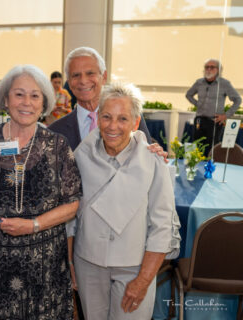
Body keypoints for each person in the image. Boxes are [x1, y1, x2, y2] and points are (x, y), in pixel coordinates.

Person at [48, 46, 163, 319]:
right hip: (87, 252)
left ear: (104, 75)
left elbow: (147, 163)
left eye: (90, 73)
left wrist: (159, 154)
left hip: (130, 250)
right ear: (67, 81)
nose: (83, 80)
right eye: (75, 75)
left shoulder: (131, 118)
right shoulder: (55, 132)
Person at [0, 64, 82, 319]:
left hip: (44, 268)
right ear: (6, 99)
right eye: (19, 94)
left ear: (44, 102)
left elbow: (73, 202)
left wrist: (33, 225)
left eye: (35, 96)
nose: (27, 102)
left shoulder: (57, 146)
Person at [73, 82, 181, 319]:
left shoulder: (152, 161)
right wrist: (70, 263)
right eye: (107, 117)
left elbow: (162, 227)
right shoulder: (81, 156)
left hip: (134, 267)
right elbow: (71, 215)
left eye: (123, 119)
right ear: (98, 119)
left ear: (135, 123)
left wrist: (143, 280)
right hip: (88, 263)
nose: (113, 126)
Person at [186, 58, 241, 156]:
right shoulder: (199, 82)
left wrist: (225, 115)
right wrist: (198, 104)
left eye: (212, 67)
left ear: (219, 70)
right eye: (207, 67)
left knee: (212, 149)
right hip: (199, 120)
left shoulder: (224, 84)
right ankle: (196, 168)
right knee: (197, 148)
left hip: (214, 121)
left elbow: (238, 100)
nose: (209, 69)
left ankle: (210, 169)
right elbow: (188, 95)